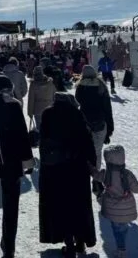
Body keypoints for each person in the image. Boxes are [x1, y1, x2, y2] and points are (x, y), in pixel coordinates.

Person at [0, 74, 34, 258]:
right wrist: (27, 160)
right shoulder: (14, 104)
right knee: (11, 205)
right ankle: (8, 246)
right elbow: (21, 135)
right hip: (10, 160)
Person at [39, 92, 97, 257]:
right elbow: (88, 141)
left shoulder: (47, 113)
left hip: (55, 170)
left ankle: (68, 243)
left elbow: (43, 142)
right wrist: (92, 164)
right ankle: (81, 243)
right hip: (77, 169)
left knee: (60, 206)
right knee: (78, 205)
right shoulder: (77, 114)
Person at [95, 145, 138, 258]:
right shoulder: (127, 174)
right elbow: (137, 188)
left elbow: (95, 175)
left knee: (117, 229)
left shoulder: (105, 174)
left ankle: (121, 249)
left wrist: (89, 167)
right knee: (122, 228)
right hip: (126, 209)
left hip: (112, 209)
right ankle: (121, 245)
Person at [75, 64, 114, 196]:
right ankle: (96, 181)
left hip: (84, 124)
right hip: (100, 123)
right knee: (97, 152)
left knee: (84, 151)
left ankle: (83, 177)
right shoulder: (101, 86)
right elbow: (107, 108)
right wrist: (110, 129)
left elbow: (77, 104)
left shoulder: (80, 86)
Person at [27, 66, 56, 130]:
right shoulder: (50, 83)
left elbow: (31, 100)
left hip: (38, 109)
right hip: (49, 108)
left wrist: (29, 112)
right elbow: (54, 95)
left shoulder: (33, 84)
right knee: (49, 128)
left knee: (39, 128)